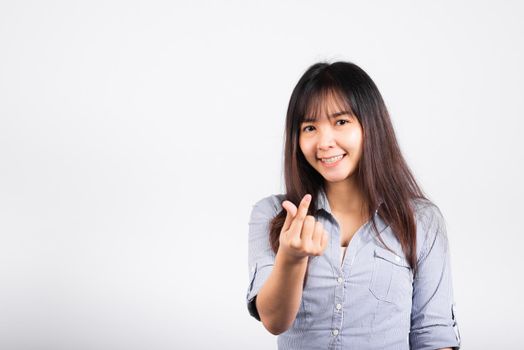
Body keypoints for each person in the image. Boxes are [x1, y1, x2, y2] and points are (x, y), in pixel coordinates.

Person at [246, 61, 461, 350]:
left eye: (341, 122)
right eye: (310, 127)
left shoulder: (422, 220)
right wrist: (292, 258)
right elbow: (273, 320)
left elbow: (433, 335)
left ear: (370, 126)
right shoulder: (274, 214)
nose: (324, 142)